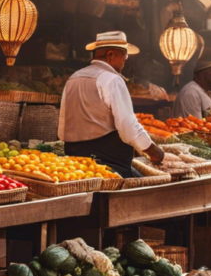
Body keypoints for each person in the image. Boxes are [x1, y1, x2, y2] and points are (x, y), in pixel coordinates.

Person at [58, 31, 166, 177]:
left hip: (73, 161)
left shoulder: (73, 78)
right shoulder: (112, 79)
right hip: (107, 164)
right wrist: (153, 151)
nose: (125, 60)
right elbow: (128, 127)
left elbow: (62, 126)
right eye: (124, 56)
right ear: (111, 55)